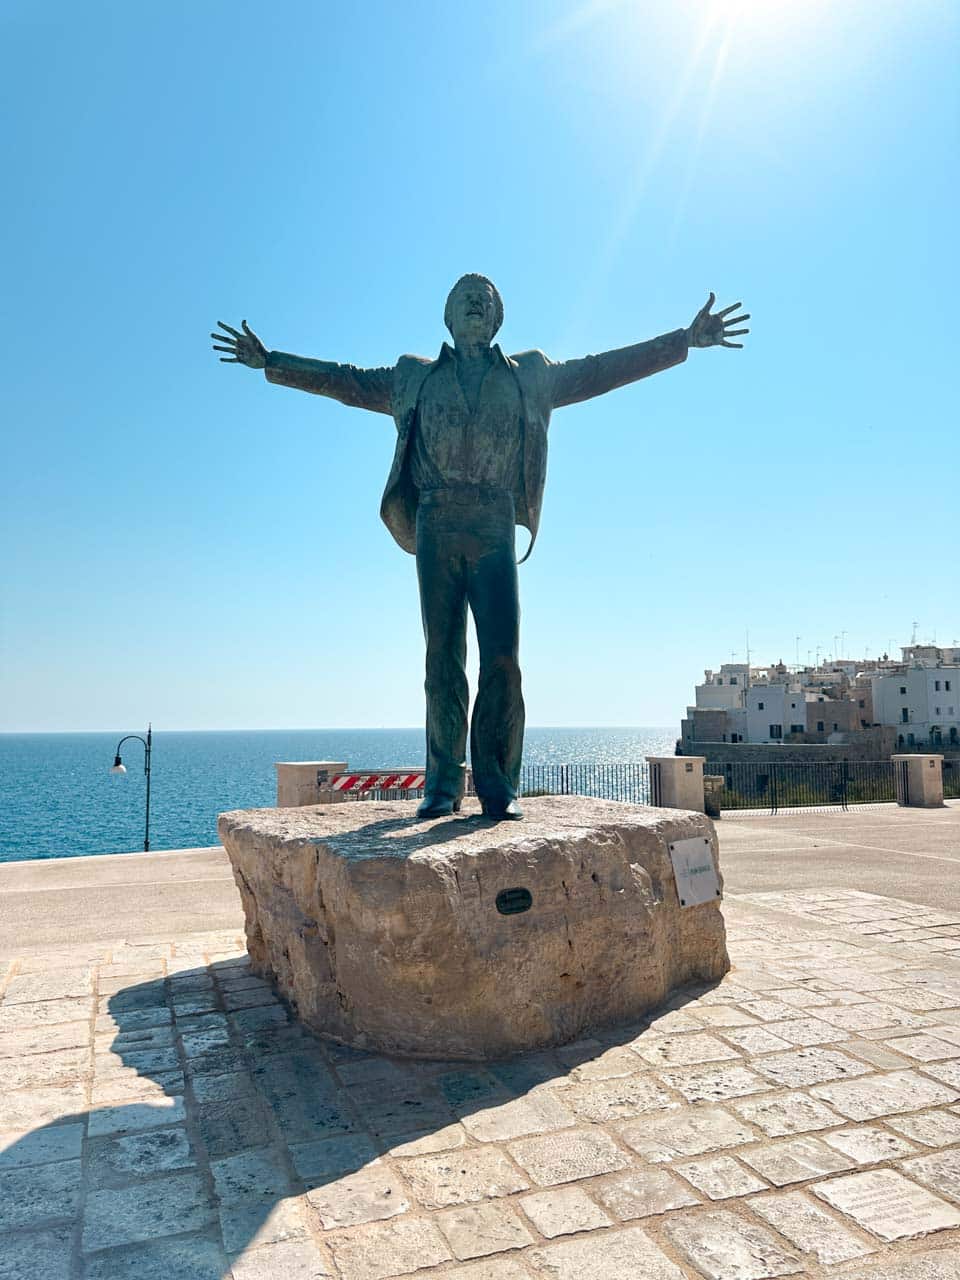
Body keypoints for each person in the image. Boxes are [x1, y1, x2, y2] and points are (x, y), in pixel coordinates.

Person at [212, 276, 748, 819]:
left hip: (494, 524)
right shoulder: (413, 376)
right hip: (435, 523)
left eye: (485, 299)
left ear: (497, 320)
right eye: (464, 297)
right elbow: (344, 381)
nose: (474, 302)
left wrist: (682, 340)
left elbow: (601, 371)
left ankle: (497, 786)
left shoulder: (531, 375)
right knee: (441, 658)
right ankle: (442, 787)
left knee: (503, 661)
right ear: (447, 317)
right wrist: (270, 362)